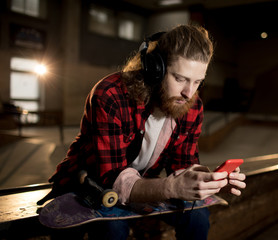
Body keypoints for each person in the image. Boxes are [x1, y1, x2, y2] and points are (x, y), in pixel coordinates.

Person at [43, 24, 246, 240]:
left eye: (197, 82)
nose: (189, 93)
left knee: (198, 217)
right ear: (155, 69)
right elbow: (112, 177)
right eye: (180, 79)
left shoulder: (193, 106)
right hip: (90, 184)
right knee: (113, 230)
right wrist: (170, 187)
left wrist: (208, 181)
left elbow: (182, 165)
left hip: (144, 186)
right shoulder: (110, 95)